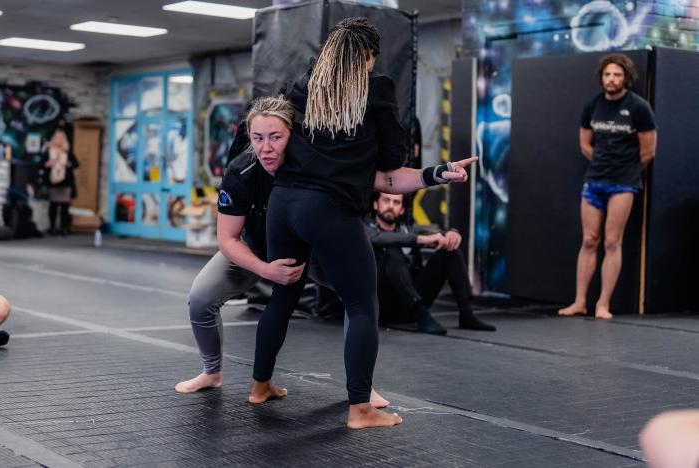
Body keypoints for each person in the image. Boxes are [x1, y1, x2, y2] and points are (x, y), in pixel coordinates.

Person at [175, 96, 474, 408]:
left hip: (310, 252)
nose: (266, 148)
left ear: (292, 133)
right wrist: (265, 270)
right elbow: (227, 239)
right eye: (257, 138)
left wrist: (437, 173)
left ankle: (361, 387)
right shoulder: (241, 171)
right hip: (253, 250)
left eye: (275, 137)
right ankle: (212, 372)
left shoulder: (316, 161)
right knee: (200, 300)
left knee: (357, 299)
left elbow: (385, 179)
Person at [249, 17, 476, 430]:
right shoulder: (376, 88)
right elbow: (392, 161)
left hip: (283, 204)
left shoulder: (303, 86)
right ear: (370, 55)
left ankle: (259, 386)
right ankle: (360, 409)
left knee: (282, 296)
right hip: (329, 209)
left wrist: (434, 172)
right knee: (361, 304)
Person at [559, 53, 657, 320]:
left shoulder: (639, 107)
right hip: (594, 180)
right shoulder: (593, 105)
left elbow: (648, 152)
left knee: (613, 241)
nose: (611, 79)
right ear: (601, 77)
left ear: (626, 77)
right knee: (589, 239)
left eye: (616, 74)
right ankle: (580, 301)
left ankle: (603, 304)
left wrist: (624, 169)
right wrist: (603, 163)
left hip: (624, 184)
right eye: (607, 74)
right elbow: (585, 144)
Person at [367, 192, 495, 335]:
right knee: (391, 251)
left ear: (402, 209)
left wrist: (451, 233)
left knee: (449, 250)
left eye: (396, 202)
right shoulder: (364, 230)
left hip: (409, 307)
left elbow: (436, 232)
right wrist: (419, 239)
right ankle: (422, 315)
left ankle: (466, 313)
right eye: (386, 200)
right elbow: (378, 238)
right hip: (381, 307)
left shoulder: (409, 230)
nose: (390, 206)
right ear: (375, 204)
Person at [41, 130, 80, 236]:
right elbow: (41, 164)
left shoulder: (67, 151)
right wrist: (47, 164)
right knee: (53, 206)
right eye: (57, 138)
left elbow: (76, 164)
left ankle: (64, 227)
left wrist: (68, 164)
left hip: (65, 182)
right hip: (53, 181)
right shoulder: (49, 151)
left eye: (61, 138)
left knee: (64, 207)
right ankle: (52, 227)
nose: (58, 140)